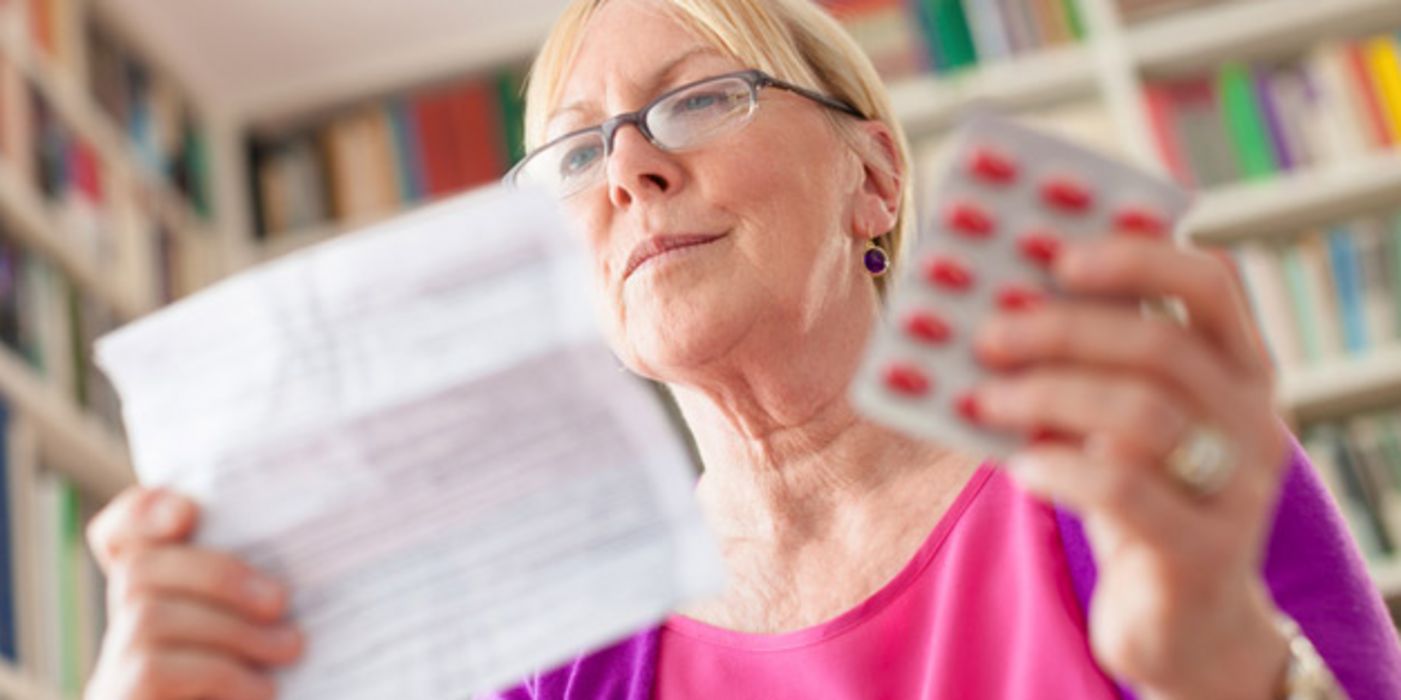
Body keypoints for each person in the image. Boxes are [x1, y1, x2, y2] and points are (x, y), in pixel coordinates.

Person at [84, 0, 1401, 698]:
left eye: (699, 98)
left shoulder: (1141, 480)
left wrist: (1227, 680)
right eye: (574, 151)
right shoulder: (552, 644)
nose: (631, 169)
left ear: (871, 177)